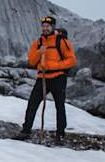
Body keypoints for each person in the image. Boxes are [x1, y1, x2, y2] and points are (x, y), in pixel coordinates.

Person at [15, 16, 77, 144]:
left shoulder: (61, 41)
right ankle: (26, 131)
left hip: (58, 78)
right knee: (32, 104)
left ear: (53, 27)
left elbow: (71, 60)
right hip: (42, 78)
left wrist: (52, 66)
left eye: (47, 26)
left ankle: (60, 134)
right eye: (43, 26)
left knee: (59, 106)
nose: (45, 28)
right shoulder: (38, 42)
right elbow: (32, 61)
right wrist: (39, 52)